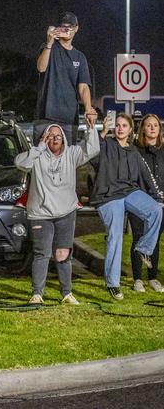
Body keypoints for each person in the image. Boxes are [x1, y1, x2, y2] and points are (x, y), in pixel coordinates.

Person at [14, 122, 100, 305]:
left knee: (63, 254)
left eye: (58, 136)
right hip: (40, 214)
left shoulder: (72, 154)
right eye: (50, 136)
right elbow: (20, 163)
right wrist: (38, 148)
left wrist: (92, 128)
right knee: (42, 253)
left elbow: (92, 149)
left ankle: (66, 293)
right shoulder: (37, 156)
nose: (54, 139)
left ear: (63, 139)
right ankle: (37, 294)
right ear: (44, 138)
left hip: (66, 212)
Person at [90, 113, 163, 300]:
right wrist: (102, 133)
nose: (120, 128)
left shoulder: (133, 152)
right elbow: (91, 154)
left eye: (125, 125)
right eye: (118, 125)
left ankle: (143, 249)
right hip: (108, 195)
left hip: (129, 191)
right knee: (116, 236)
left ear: (131, 130)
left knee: (155, 211)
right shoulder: (106, 144)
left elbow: (146, 176)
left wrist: (156, 197)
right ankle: (113, 284)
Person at [35, 12, 97, 145]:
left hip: (69, 118)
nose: (67, 30)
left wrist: (88, 108)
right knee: (41, 160)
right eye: (63, 27)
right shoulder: (48, 47)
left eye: (70, 27)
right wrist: (49, 43)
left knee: (67, 161)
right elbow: (41, 68)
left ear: (76, 28)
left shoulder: (80, 57)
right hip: (45, 115)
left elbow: (83, 87)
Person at [128, 114, 164, 293]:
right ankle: (137, 279)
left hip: (161, 204)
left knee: (154, 240)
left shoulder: (163, 150)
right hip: (140, 202)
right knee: (139, 237)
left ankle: (153, 278)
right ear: (142, 129)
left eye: (155, 125)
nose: (152, 128)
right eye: (148, 125)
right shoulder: (135, 151)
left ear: (159, 129)